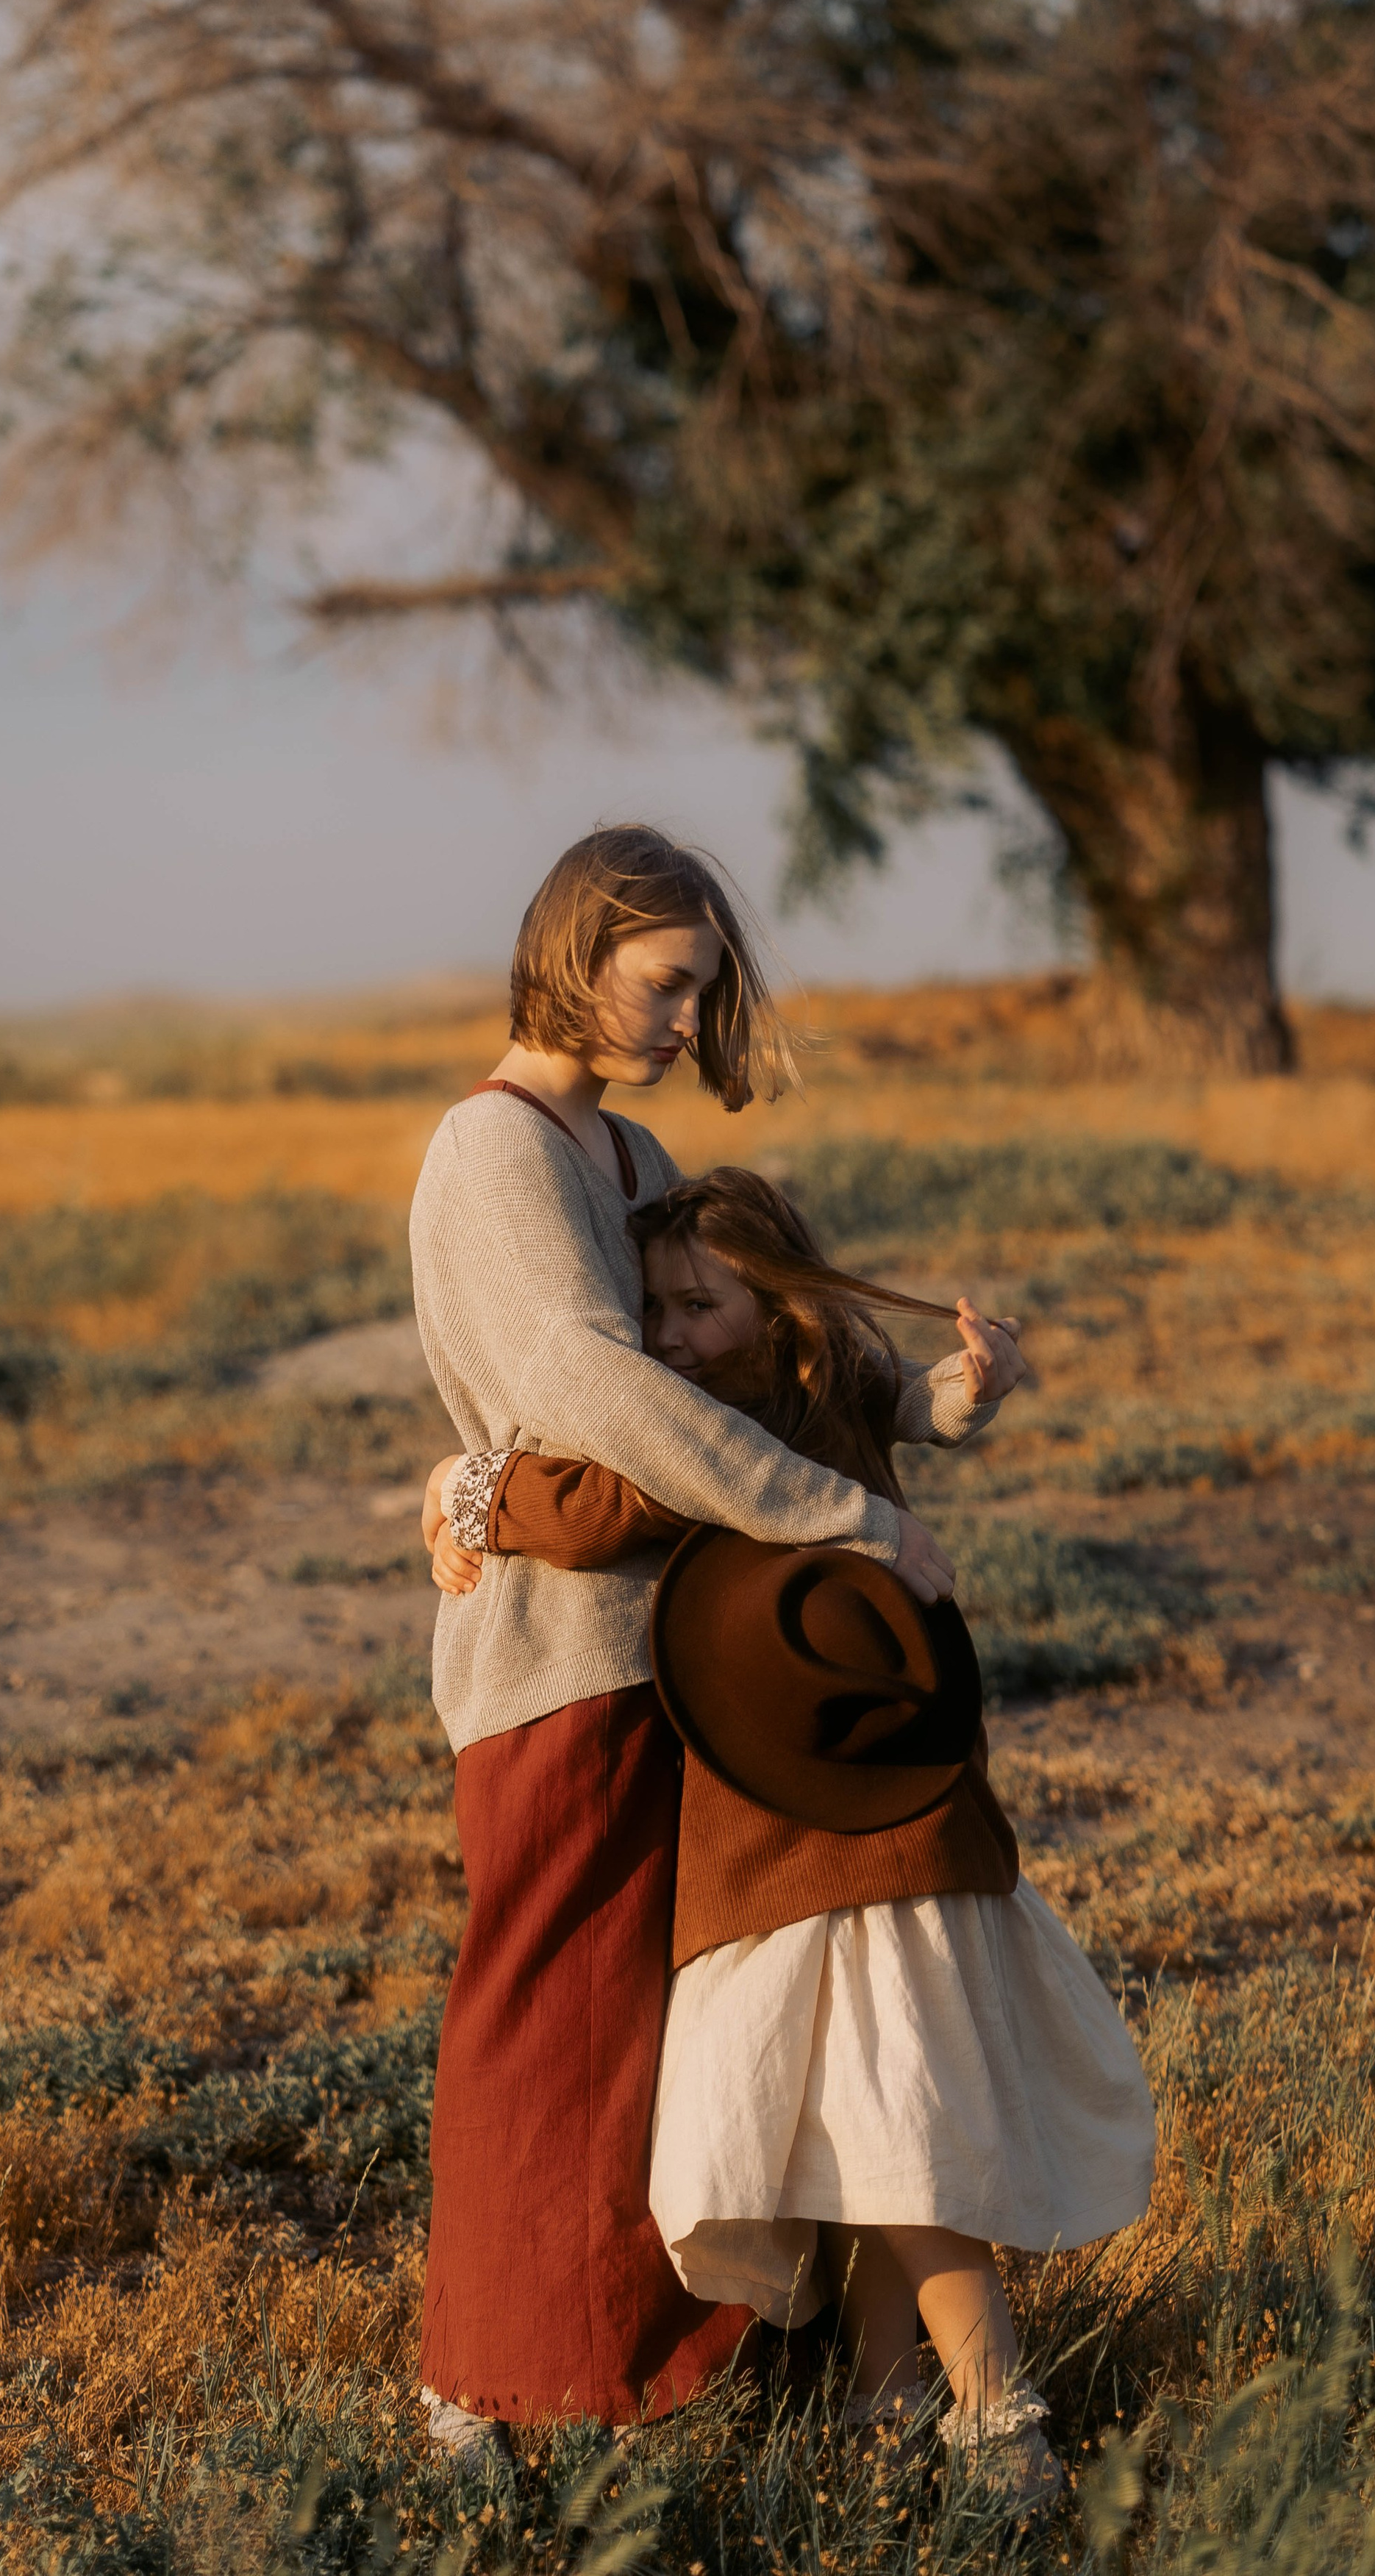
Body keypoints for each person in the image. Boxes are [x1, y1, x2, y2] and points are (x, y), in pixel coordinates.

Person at [424, 1168, 1157, 2505]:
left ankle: (1000, 2423)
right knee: (879, 2123)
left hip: (812, 1840)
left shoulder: (715, 1429)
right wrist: (955, 1396)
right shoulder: (823, 1388)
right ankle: (886, 2409)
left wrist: (465, 1489)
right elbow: (898, 1400)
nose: (667, 1339)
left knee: (888, 2134)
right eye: (652, 1309)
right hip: (901, 1807)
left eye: (700, 1305)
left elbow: (592, 1511)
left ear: (780, 1311)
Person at [407, 827, 957, 2471]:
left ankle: (673, 2368)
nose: (679, 1016)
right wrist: (829, 1520)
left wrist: (915, 1414)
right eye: (663, 982)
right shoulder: (491, 1152)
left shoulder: (630, 1151)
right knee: (545, 2025)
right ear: (575, 954)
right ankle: (475, 2390)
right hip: (555, 1661)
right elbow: (596, 1396)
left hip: (684, 1652)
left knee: (673, 2033)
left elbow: (728, 1366)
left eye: (701, 987)